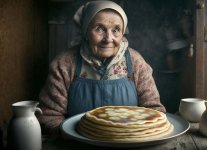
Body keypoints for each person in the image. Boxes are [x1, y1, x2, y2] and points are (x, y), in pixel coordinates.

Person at [37, 0, 166, 135]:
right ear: (86, 32)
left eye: (116, 30)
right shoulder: (65, 64)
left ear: (123, 33)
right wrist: (77, 138)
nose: (108, 38)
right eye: (99, 29)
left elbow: (155, 111)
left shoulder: (136, 62)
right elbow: (49, 115)